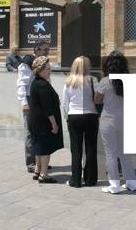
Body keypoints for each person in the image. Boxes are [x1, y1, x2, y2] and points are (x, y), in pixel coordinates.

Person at [94, 51, 136, 194]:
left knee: (111, 153)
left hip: (108, 120)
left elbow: (97, 100)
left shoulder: (105, 81)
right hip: (125, 120)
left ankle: (114, 185)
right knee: (124, 153)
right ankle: (132, 183)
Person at [61, 56, 99, 188]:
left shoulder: (69, 82)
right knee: (91, 148)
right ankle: (90, 179)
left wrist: (66, 116)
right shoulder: (93, 80)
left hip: (74, 116)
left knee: (76, 149)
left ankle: (75, 180)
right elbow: (98, 99)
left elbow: (65, 103)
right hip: (90, 116)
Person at [28, 56, 64, 183]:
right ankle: (44, 174)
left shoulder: (36, 82)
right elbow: (47, 108)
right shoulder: (42, 85)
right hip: (43, 123)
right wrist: (54, 124)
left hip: (36, 122)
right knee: (45, 149)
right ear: (41, 70)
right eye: (48, 69)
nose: (50, 71)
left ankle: (38, 171)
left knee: (39, 148)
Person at [17, 41, 49, 173]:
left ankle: (41, 163)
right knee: (30, 132)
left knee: (42, 131)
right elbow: (21, 84)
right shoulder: (27, 63)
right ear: (36, 50)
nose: (47, 52)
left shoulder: (45, 63)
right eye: (44, 50)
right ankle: (31, 162)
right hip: (30, 101)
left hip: (42, 100)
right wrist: (24, 102)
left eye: (48, 50)